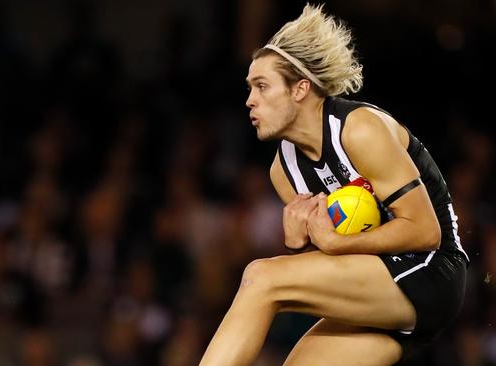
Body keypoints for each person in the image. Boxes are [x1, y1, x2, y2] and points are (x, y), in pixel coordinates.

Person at [199, 4, 469, 365]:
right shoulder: (284, 170)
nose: (250, 100)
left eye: (262, 86)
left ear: (300, 89)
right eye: (250, 88)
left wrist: (331, 244)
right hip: (379, 291)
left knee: (261, 277)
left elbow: (424, 231)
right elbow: (331, 264)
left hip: (431, 272)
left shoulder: (358, 129)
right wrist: (299, 246)